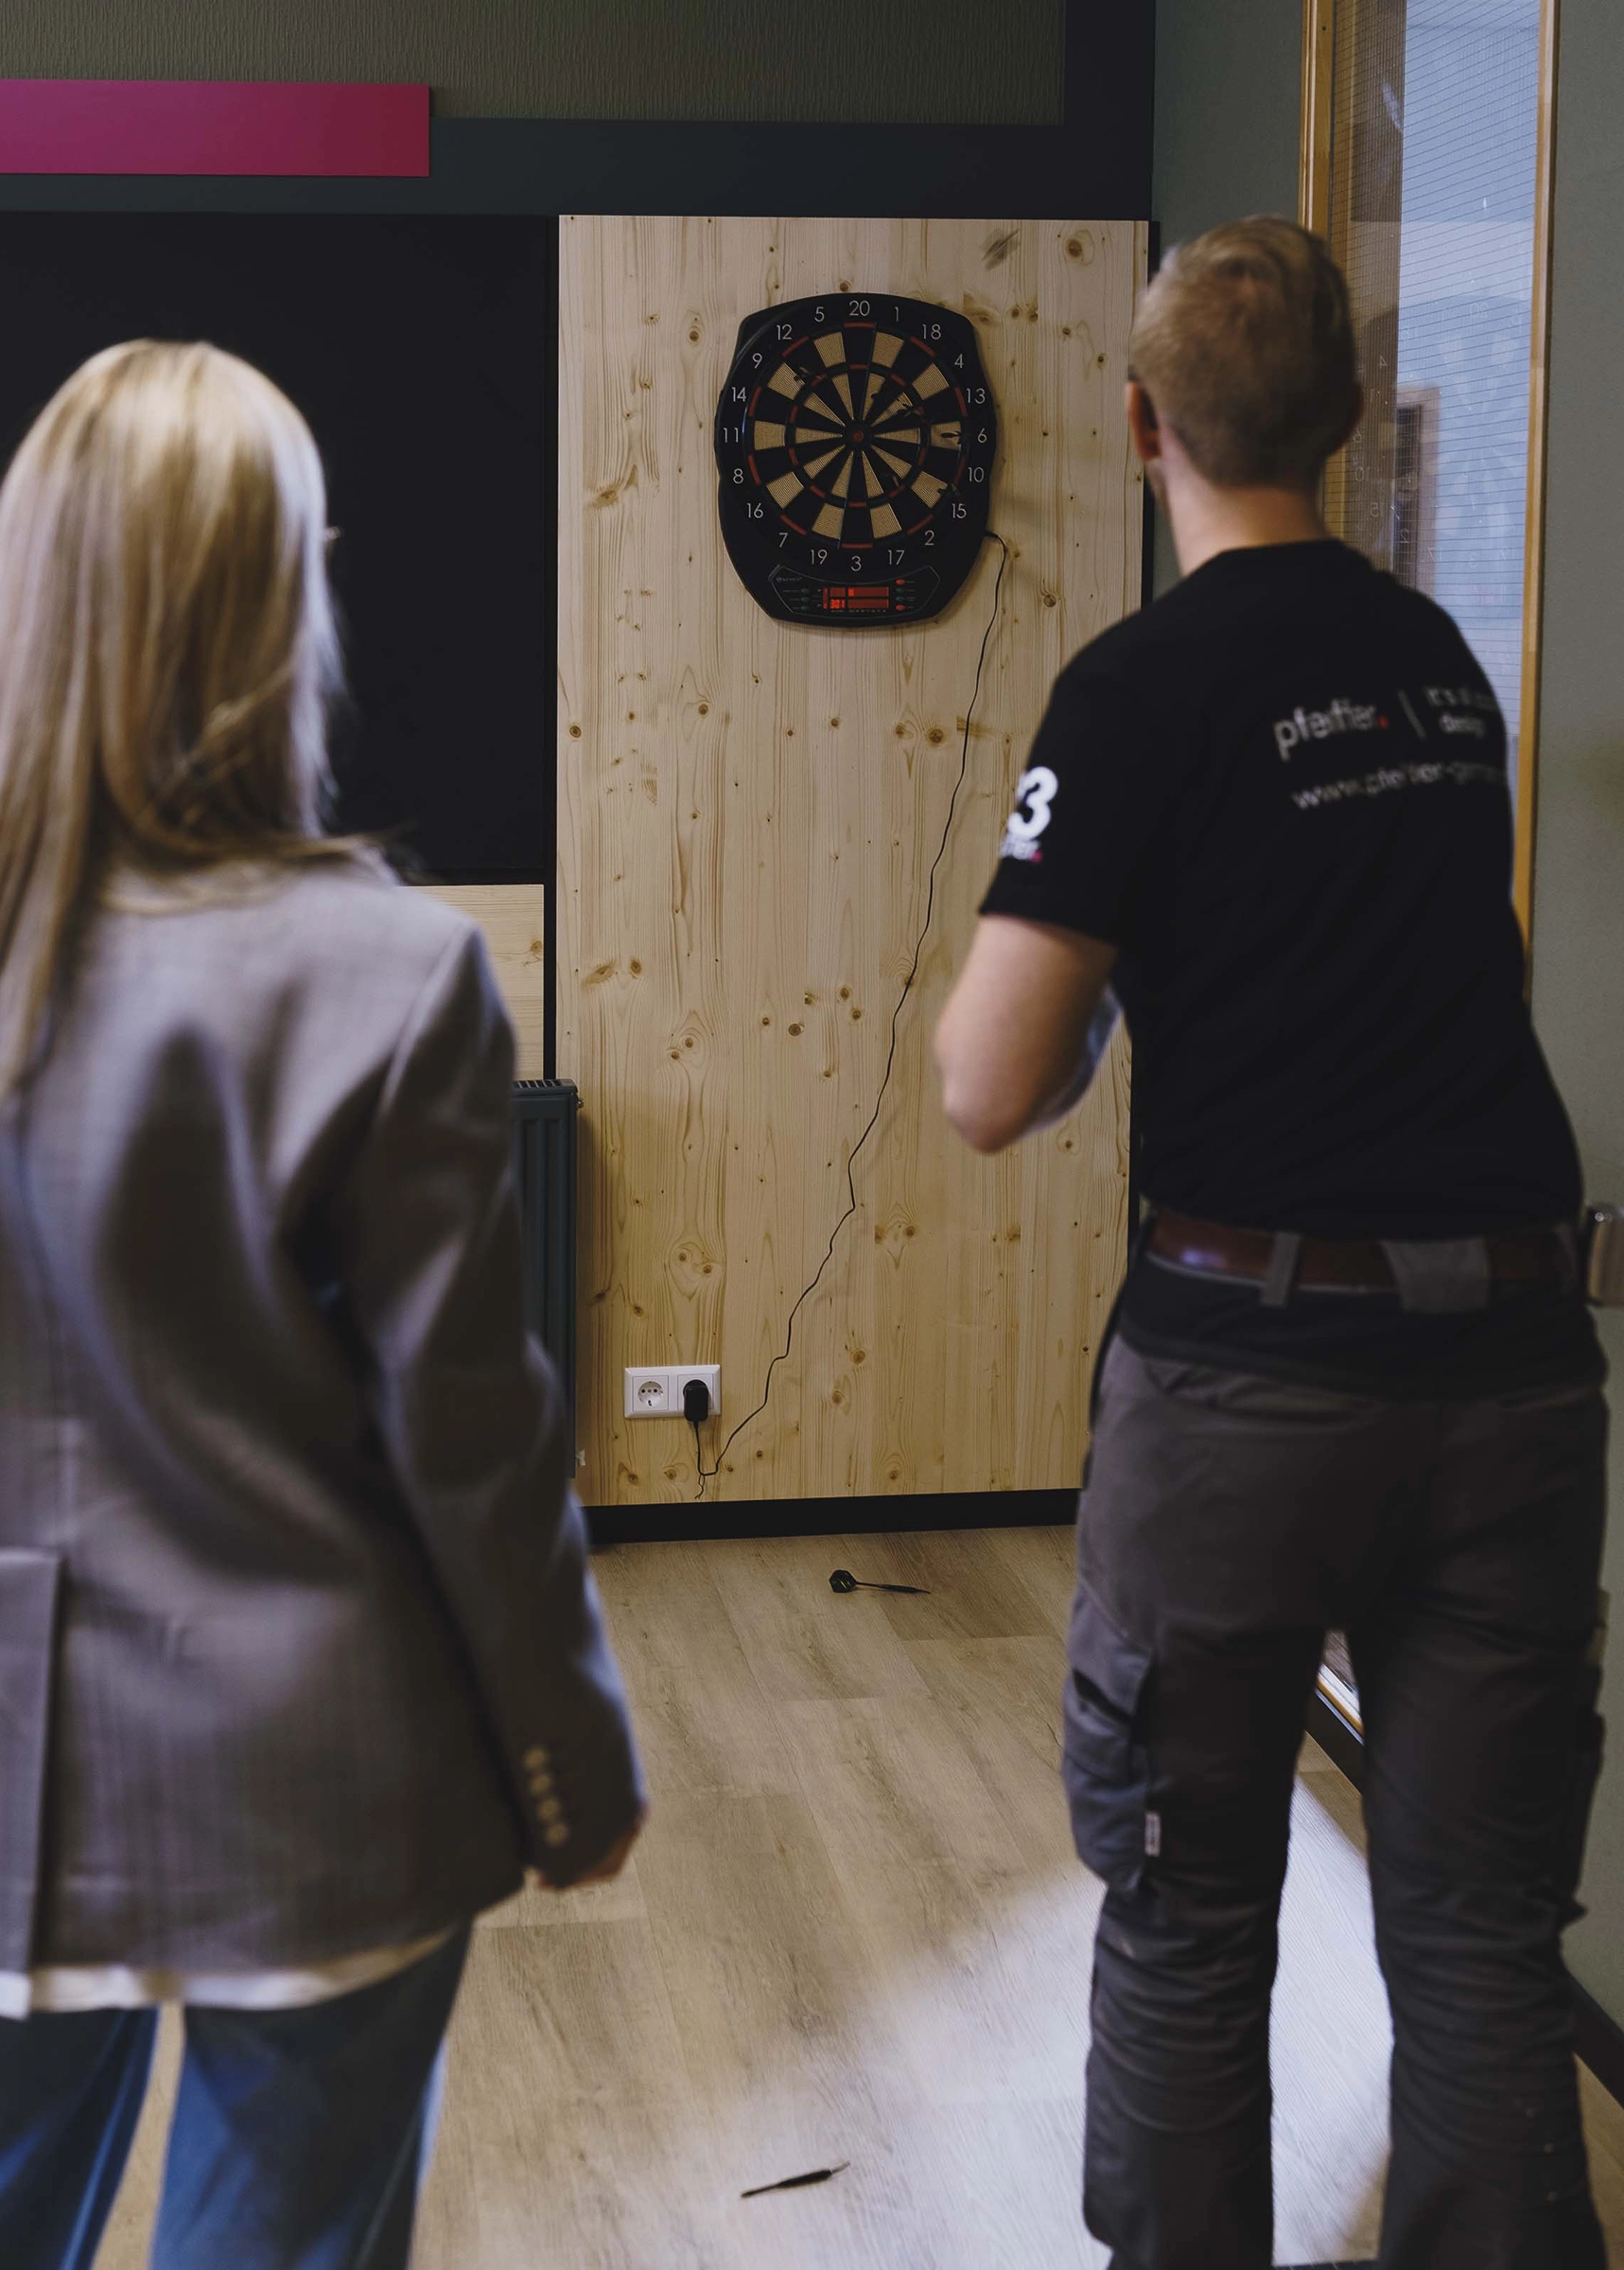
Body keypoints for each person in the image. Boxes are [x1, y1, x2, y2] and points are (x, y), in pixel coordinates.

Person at [0, 340, 645, 2270]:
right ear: (285, 600)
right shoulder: (387, 968)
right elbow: (477, 1447)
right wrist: (569, 1761)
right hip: (320, 1790)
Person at [934, 218, 1608, 2270]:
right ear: (1341, 428)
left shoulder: (1137, 689)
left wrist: (1120, 976)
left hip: (1253, 1383)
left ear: (1141, 424)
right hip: (1515, 1369)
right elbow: (1444, 970)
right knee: (1485, 1933)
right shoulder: (1436, 665)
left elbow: (985, 1081)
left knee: (1187, 1909)